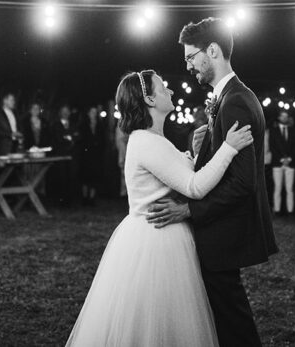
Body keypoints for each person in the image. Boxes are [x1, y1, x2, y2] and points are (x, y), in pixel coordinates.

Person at [66, 70, 253, 346]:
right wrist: (228, 148)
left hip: (160, 234)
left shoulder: (152, 139)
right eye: (164, 89)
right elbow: (193, 186)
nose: (171, 92)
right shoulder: (146, 141)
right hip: (156, 242)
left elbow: (174, 171)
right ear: (150, 100)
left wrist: (195, 151)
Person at [145, 17, 278, 347]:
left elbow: (243, 182)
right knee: (225, 315)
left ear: (213, 51)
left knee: (232, 320)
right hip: (222, 228)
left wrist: (189, 210)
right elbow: (224, 162)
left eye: (191, 57)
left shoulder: (235, 102)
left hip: (224, 230)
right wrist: (200, 146)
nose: (188, 65)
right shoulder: (229, 97)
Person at [268, 110, 295, 215]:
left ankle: (290, 211)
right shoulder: (273, 131)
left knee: (289, 188)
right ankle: (277, 210)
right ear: (279, 117)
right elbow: (272, 147)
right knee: (277, 187)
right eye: (283, 116)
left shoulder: (293, 130)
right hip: (277, 163)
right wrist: (282, 159)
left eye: (286, 116)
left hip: (291, 162)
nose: (285, 118)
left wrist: (289, 159)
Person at [77, 106, 106, 206]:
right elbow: (81, 139)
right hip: (86, 155)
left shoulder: (100, 125)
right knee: (85, 177)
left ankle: (92, 198)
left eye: (95, 112)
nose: (93, 114)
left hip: (96, 155)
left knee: (95, 178)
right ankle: (85, 198)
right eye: (91, 112)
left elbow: (103, 139)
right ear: (88, 113)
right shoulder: (83, 125)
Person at [0, 92, 22, 157]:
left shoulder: (15, 113)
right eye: (11, 100)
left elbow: (19, 127)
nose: (14, 102)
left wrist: (20, 134)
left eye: (14, 100)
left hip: (15, 145)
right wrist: (11, 134)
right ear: (5, 101)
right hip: (4, 147)